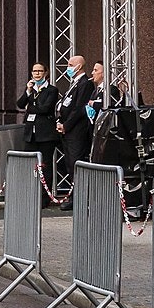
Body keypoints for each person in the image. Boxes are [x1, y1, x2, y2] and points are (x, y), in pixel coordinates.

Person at [54, 53, 95, 211]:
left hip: (76, 131)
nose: (68, 68)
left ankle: (78, 195)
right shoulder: (74, 84)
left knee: (76, 163)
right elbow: (64, 105)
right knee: (69, 164)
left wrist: (67, 125)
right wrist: (60, 121)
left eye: (71, 65)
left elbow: (79, 108)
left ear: (79, 66)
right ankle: (73, 194)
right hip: (67, 130)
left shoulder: (85, 84)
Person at [15, 61, 61, 199]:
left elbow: (45, 108)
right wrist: (28, 92)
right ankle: (30, 194)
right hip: (31, 134)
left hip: (46, 134)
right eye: (34, 71)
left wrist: (31, 107)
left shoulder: (51, 90)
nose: (37, 74)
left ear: (45, 73)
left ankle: (44, 196)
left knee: (44, 165)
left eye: (40, 71)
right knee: (30, 163)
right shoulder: (31, 90)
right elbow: (20, 104)